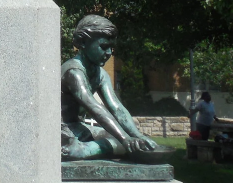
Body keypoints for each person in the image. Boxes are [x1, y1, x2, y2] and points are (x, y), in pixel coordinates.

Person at [61, 15, 164, 161]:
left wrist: (137, 136)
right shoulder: (73, 72)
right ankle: (79, 150)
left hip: (78, 128)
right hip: (62, 130)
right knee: (121, 142)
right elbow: (94, 108)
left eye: (111, 47)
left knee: (124, 141)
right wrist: (124, 139)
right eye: (103, 47)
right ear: (83, 43)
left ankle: (84, 150)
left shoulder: (100, 74)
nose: (109, 53)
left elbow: (117, 108)